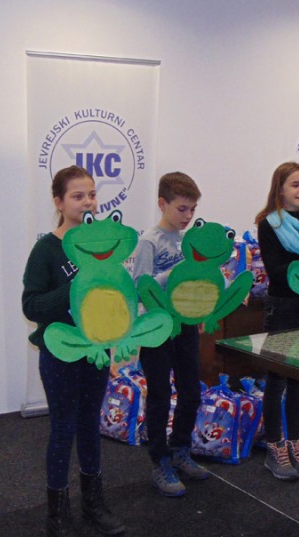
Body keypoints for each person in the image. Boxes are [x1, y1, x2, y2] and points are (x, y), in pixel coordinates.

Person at [22, 165, 125, 537]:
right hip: (60, 353)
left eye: (92, 195)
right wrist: (74, 287)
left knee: (89, 425)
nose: (87, 202)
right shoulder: (46, 250)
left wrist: (116, 339)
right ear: (59, 202)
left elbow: (113, 300)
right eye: (78, 196)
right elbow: (32, 306)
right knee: (64, 429)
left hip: (96, 351)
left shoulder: (102, 244)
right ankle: (58, 516)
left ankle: (93, 503)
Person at [129, 172, 212, 497]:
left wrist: (200, 309)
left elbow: (195, 282)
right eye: (182, 209)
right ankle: (160, 461)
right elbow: (141, 288)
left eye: (192, 209)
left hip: (186, 326)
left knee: (191, 391)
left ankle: (180, 450)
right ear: (162, 204)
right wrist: (172, 274)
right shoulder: (149, 241)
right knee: (160, 396)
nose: (188, 216)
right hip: (157, 329)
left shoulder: (189, 241)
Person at [253, 161, 299, 480]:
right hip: (281, 308)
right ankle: (275, 448)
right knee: (277, 380)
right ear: (279, 190)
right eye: (295, 184)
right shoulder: (269, 224)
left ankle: (296, 443)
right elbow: (277, 273)